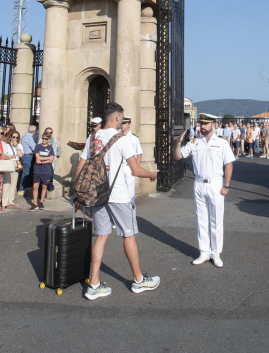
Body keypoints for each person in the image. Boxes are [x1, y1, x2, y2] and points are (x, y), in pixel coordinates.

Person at [75, 102, 159, 300]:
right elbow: (135, 170)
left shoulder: (92, 138)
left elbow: (80, 168)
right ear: (117, 117)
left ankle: (93, 284)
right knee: (128, 235)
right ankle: (138, 280)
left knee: (101, 235)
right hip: (118, 195)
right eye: (121, 117)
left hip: (97, 194)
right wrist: (151, 175)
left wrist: (78, 193)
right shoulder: (122, 140)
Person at [174, 113, 234, 268]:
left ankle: (216, 253)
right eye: (201, 123)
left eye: (206, 124)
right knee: (201, 219)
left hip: (215, 184)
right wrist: (178, 143)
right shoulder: (195, 142)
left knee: (216, 220)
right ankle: (204, 252)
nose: (202, 126)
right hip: (199, 183)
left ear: (213, 125)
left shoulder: (221, 143)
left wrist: (226, 186)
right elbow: (179, 156)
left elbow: (229, 165)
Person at [1, 131, 23, 209]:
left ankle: (10, 200)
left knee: (14, 183)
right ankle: (4, 202)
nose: (15, 139)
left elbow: (20, 155)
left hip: (16, 164)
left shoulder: (19, 145)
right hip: (9, 163)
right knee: (7, 183)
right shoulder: (6, 145)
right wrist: (15, 155)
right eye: (13, 137)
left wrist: (16, 146)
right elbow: (6, 156)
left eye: (17, 137)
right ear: (10, 137)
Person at [18, 124, 37, 196]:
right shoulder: (29, 137)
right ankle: (22, 188)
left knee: (27, 172)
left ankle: (25, 186)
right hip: (27, 155)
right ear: (34, 131)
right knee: (26, 172)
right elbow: (34, 147)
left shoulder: (25, 135)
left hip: (26, 155)